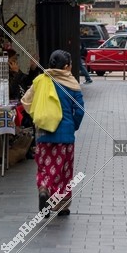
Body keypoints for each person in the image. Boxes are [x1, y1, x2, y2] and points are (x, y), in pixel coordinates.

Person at [21, 49, 84, 218]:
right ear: (65, 67)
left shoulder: (40, 80)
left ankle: (44, 189)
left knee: (45, 167)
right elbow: (79, 110)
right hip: (65, 136)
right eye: (70, 65)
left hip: (43, 134)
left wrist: (38, 116)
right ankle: (62, 206)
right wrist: (73, 126)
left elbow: (26, 101)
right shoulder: (71, 84)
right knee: (63, 170)